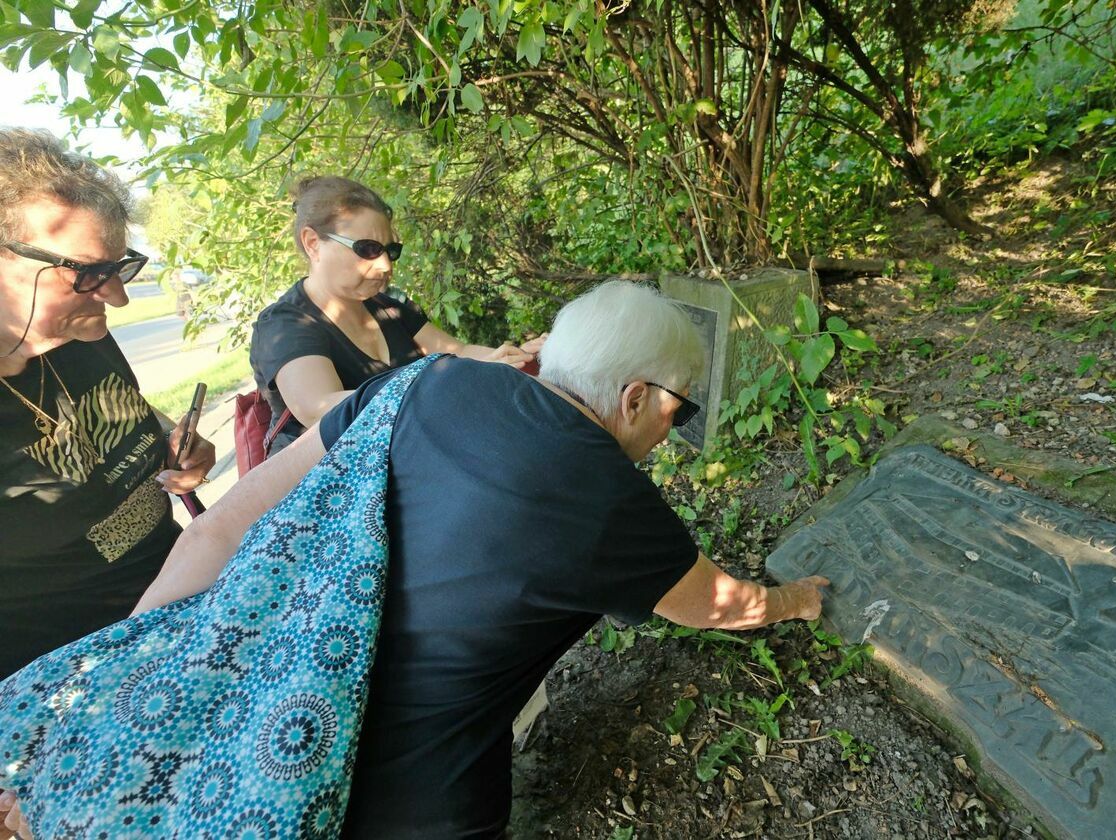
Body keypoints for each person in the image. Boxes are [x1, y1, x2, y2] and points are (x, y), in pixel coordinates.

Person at [133, 280, 830, 838]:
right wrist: (797, 599)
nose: (672, 429)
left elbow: (212, 534)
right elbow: (719, 607)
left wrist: (126, 697)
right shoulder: (612, 501)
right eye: (679, 411)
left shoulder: (417, 383)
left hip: (261, 740)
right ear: (636, 397)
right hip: (417, 804)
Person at [0, 128, 215, 681]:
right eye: (90, 274)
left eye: (120, 269)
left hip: (182, 593)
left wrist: (176, 441)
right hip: (83, 674)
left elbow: (124, 407)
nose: (116, 297)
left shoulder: (79, 330)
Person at [249, 175, 545, 456]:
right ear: (313, 243)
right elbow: (321, 409)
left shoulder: (388, 309)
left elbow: (460, 352)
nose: (385, 266)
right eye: (367, 249)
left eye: (391, 251)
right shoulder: (285, 325)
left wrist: (515, 356)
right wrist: (438, 383)